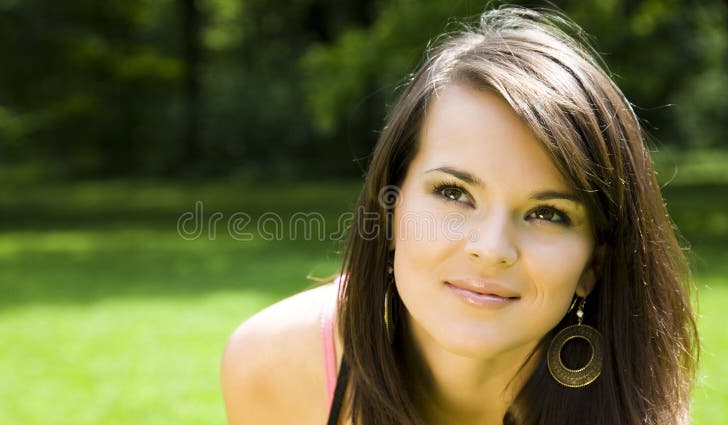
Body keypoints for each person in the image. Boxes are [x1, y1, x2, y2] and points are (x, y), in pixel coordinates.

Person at [220, 6, 698, 425]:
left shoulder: (630, 405)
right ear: (390, 211)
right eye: (454, 192)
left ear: (593, 265)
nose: (490, 250)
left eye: (548, 213)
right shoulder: (274, 362)